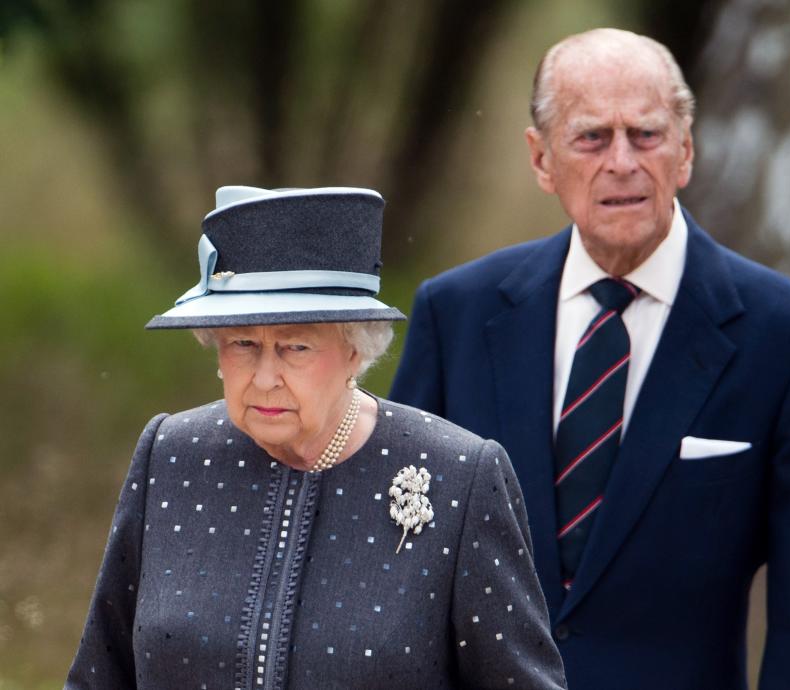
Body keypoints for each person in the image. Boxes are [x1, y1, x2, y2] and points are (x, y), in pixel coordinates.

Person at [390, 28, 790, 689]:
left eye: (645, 135)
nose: (621, 162)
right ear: (540, 158)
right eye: (591, 137)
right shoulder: (455, 316)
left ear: (685, 150)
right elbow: (400, 566)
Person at [66, 186, 567, 689]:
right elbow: (99, 675)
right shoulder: (170, 455)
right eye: (242, 343)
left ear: (356, 349)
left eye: (295, 346)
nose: (264, 378)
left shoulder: (460, 475)